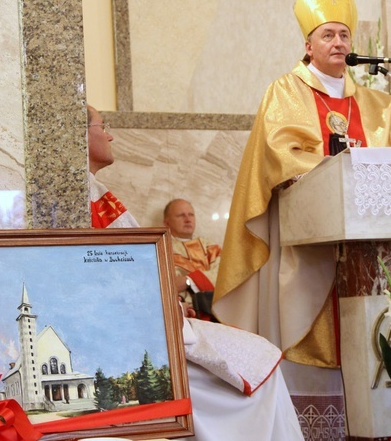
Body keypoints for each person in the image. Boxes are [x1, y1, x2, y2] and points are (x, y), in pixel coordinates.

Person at [212, 0, 391, 435]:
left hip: (374, 250)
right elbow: (283, 154)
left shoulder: (374, 101)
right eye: (327, 34)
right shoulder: (285, 93)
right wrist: (334, 166)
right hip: (314, 250)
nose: (337, 41)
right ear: (307, 45)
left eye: (344, 34)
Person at [87, 105, 303, 441]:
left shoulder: (98, 196)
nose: (111, 134)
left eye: (191, 213)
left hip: (174, 317)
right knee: (262, 360)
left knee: (263, 353)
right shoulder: (82, 199)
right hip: (144, 331)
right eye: (104, 126)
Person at [163, 198, 221, 320]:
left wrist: (189, 281)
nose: (188, 219)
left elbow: (225, 275)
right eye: (181, 215)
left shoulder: (209, 246)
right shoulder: (160, 247)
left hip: (214, 313)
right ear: (167, 222)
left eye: (191, 215)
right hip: (178, 314)